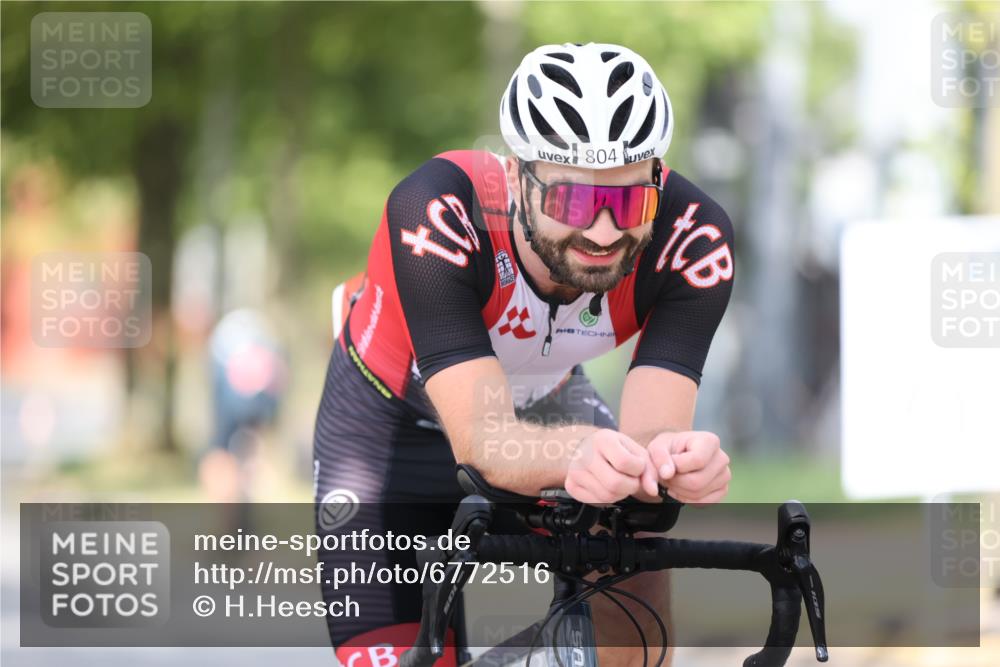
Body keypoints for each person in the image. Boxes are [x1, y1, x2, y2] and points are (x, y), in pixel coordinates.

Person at [314, 42, 735, 666]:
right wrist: (583, 452)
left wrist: (671, 465)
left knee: (634, 578)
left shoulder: (692, 237)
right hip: (388, 426)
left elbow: (651, 440)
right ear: (517, 177)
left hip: (546, 401)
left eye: (626, 203)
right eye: (571, 202)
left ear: (658, 179)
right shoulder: (437, 210)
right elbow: (483, 439)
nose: (600, 232)